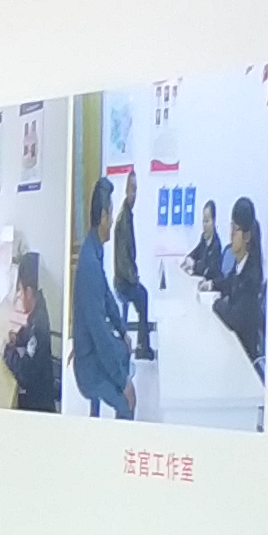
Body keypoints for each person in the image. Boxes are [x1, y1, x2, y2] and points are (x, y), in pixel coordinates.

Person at [73, 177, 134, 419]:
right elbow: (99, 332)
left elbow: (108, 298)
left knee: (122, 347)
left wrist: (123, 330)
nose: (111, 221)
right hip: (89, 366)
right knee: (128, 402)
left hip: (90, 350)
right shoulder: (90, 263)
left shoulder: (93, 249)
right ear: (103, 217)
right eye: (110, 213)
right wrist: (123, 382)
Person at [3, 249, 64, 412]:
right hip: (38, 390)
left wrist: (8, 352)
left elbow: (25, 373)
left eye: (20, 290)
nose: (18, 296)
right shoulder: (38, 308)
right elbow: (27, 336)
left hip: (38, 404)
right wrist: (17, 339)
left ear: (29, 292)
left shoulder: (38, 324)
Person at [213, 195, 268, 374]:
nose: (230, 235)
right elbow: (227, 282)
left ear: (247, 236)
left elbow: (233, 318)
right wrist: (212, 285)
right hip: (233, 350)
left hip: (244, 363)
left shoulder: (251, 279)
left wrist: (216, 303)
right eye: (231, 227)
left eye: (235, 230)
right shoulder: (240, 266)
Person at [113, 171, 153, 358]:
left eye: (136, 190)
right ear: (126, 190)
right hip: (123, 281)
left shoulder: (128, 216)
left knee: (143, 295)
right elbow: (123, 260)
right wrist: (134, 279)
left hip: (126, 278)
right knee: (143, 295)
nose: (134, 194)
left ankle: (143, 345)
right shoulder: (123, 220)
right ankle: (143, 347)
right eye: (132, 189)